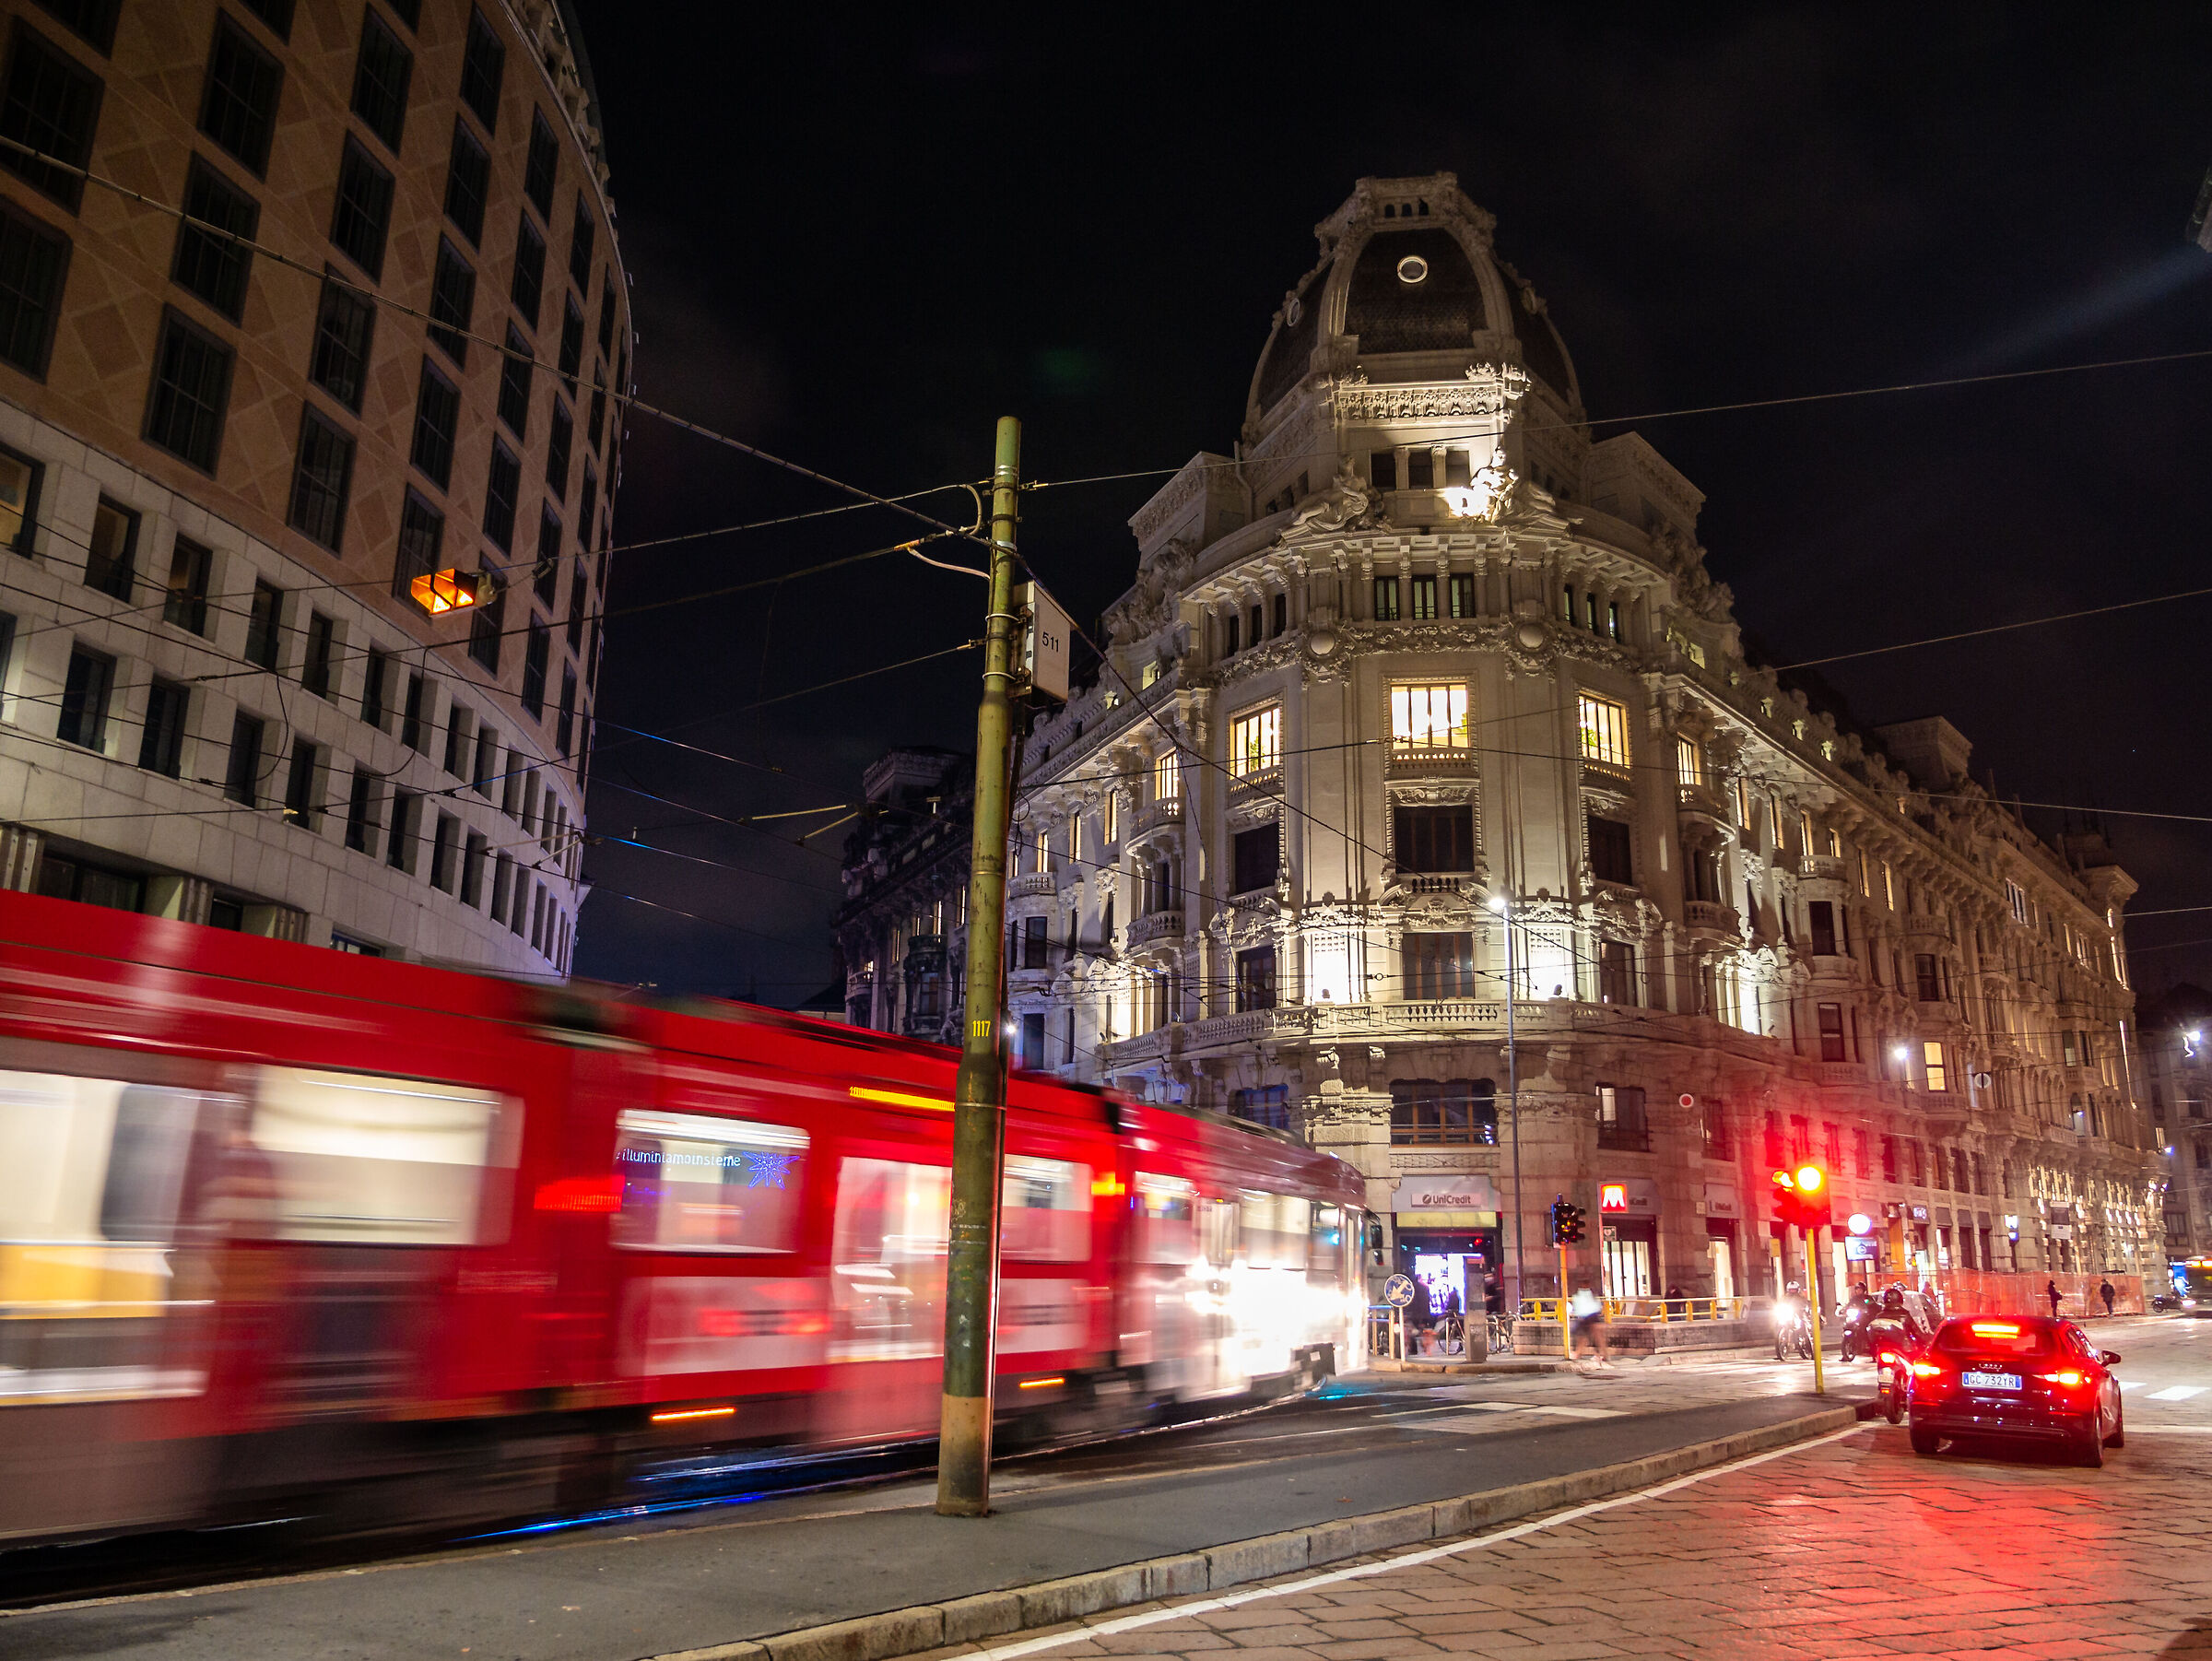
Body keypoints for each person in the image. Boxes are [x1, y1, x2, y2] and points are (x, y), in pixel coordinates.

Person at [1569, 1279, 1612, 1372]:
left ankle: (1578, 1353)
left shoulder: (1579, 1295)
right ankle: (1604, 1355)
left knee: (1582, 1337)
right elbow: (1598, 1306)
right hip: (1594, 1317)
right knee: (1598, 1338)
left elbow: (1578, 1307)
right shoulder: (1592, 1294)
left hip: (1586, 1318)